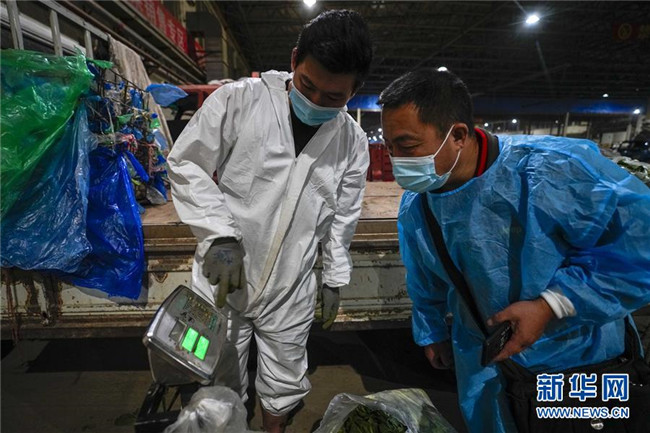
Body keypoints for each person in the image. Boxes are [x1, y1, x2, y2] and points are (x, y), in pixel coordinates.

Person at [378, 68, 650, 432]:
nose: (396, 159)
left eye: (407, 146)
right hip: (486, 366)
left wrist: (551, 306)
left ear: (457, 135)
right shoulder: (419, 203)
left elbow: (640, 245)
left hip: (575, 363)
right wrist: (433, 332)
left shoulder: (553, 170)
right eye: (390, 147)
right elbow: (424, 276)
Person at [166, 10, 372, 433]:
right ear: (294, 59)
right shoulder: (239, 101)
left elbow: (343, 215)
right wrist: (219, 234)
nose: (316, 102)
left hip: (290, 285)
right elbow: (187, 164)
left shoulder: (352, 143)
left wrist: (334, 276)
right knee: (214, 372)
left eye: (333, 97)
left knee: (285, 376)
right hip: (224, 275)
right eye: (307, 86)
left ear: (355, 90)